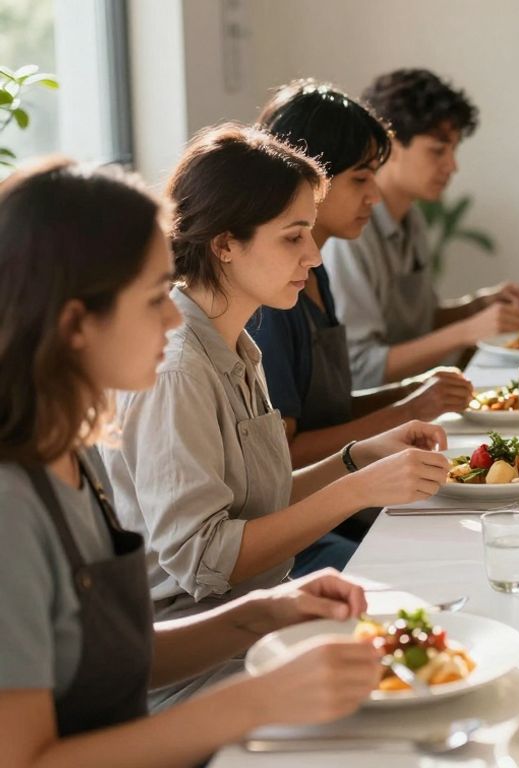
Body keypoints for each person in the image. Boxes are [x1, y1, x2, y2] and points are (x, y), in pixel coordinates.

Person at [0, 158, 381, 766]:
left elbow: (119, 654)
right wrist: (255, 701)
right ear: (76, 324)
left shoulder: (71, 455)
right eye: (155, 297)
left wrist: (260, 614)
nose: (176, 316)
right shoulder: (11, 506)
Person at [101, 125, 451, 707]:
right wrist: (357, 487)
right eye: (294, 238)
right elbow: (207, 560)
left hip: (264, 623)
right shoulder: (179, 367)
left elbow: (256, 502)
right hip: (198, 667)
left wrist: (356, 458)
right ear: (224, 245)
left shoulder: (236, 342)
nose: (314, 257)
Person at [254, 80, 473, 472]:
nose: (374, 194)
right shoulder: (271, 298)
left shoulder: (314, 272)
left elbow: (332, 412)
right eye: (361, 178)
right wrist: (410, 407)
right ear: (306, 177)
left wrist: (413, 392)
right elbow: (283, 458)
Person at [324, 68, 519, 389]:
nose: (452, 165)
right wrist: (467, 331)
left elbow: (417, 323)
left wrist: (476, 306)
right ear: (388, 145)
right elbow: (360, 369)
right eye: (437, 150)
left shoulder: (411, 216)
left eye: (454, 150)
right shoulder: (350, 236)